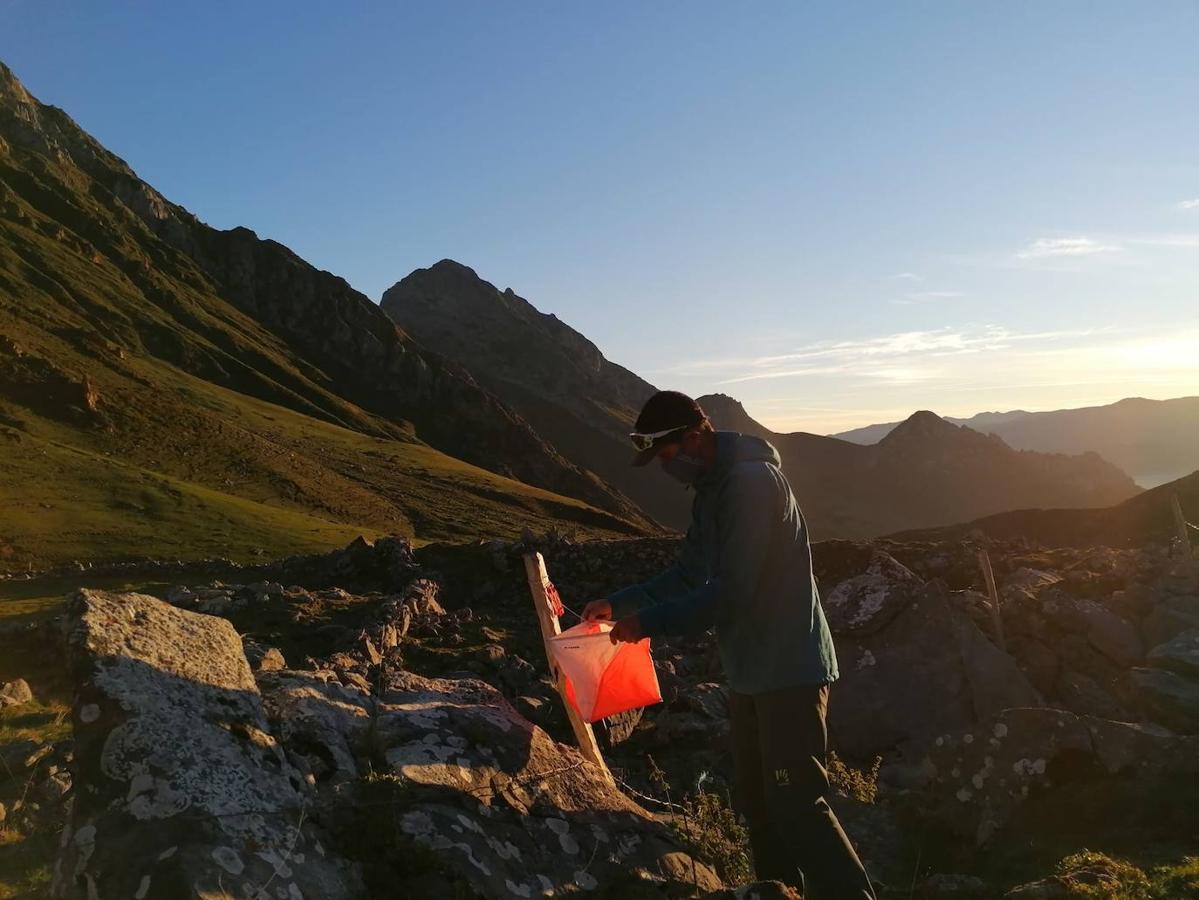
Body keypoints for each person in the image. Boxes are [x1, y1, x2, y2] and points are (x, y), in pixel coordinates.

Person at [583, 390, 876, 899]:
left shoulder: (752, 484)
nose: (667, 467)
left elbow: (732, 592)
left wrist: (646, 622)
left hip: (789, 668)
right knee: (760, 806)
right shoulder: (713, 489)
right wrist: (620, 601)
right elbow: (689, 572)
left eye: (669, 455)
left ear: (696, 435)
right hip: (750, 672)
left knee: (798, 806)